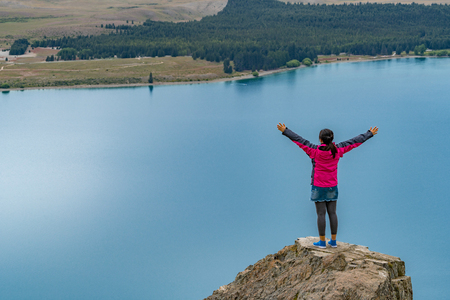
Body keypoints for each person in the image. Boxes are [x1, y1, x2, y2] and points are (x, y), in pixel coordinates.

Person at [277, 123, 378, 248]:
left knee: (320, 214)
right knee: (332, 213)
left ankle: (322, 242)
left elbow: (299, 140)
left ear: (320, 140)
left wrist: (285, 130)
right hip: (332, 186)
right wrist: (369, 133)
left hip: (318, 186)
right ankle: (334, 242)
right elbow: (354, 141)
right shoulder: (338, 149)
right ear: (332, 138)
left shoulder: (314, 151)